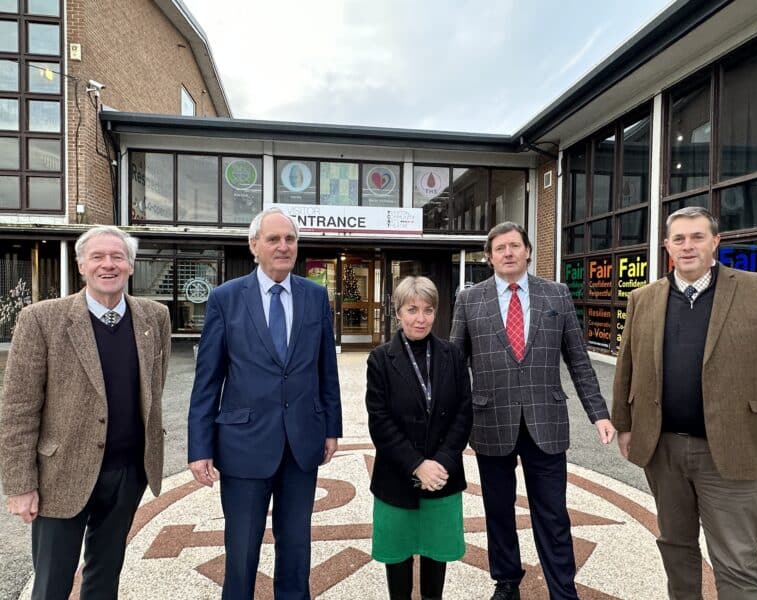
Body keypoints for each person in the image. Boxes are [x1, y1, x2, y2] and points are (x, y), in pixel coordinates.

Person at [612, 206, 757, 599]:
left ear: (716, 241)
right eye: (679, 239)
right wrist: (625, 425)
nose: (688, 246)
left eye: (698, 237)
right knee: (676, 549)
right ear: (667, 246)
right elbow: (627, 367)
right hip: (663, 449)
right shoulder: (643, 299)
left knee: (737, 562)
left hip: (732, 450)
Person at [0, 225, 171, 600]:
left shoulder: (154, 317)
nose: (107, 265)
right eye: (97, 257)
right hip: (60, 475)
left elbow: (153, 389)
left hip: (128, 473)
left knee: (105, 576)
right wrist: (19, 485)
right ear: (81, 265)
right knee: (51, 583)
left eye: (117, 256)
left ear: (130, 264)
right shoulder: (41, 319)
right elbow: (17, 409)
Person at [450, 221, 615, 600]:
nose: (507, 253)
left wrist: (599, 413)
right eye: (499, 248)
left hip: (546, 420)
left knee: (553, 513)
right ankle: (506, 581)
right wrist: (446, 427)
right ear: (489, 257)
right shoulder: (469, 300)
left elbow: (578, 359)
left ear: (527, 251)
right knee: (498, 509)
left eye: (514, 246)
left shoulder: (556, 295)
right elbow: (455, 366)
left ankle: (563, 588)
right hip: (491, 420)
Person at [188, 207, 342, 600]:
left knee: (296, 549)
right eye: (273, 239)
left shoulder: (315, 295)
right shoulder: (226, 298)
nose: (283, 246)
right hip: (243, 446)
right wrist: (199, 447)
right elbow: (208, 379)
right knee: (241, 553)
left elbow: (327, 369)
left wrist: (331, 427)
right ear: (254, 245)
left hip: (301, 445)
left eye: (290, 239)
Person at [366, 276, 472, 600]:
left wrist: (440, 463)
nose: (420, 318)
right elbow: (380, 421)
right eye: (412, 309)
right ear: (398, 312)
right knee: (397, 562)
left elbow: (463, 413)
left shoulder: (452, 355)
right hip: (397, 478)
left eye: (428, 310)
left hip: (442, 477)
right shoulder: (381, 359)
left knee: (435, 559)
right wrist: (416, 465)